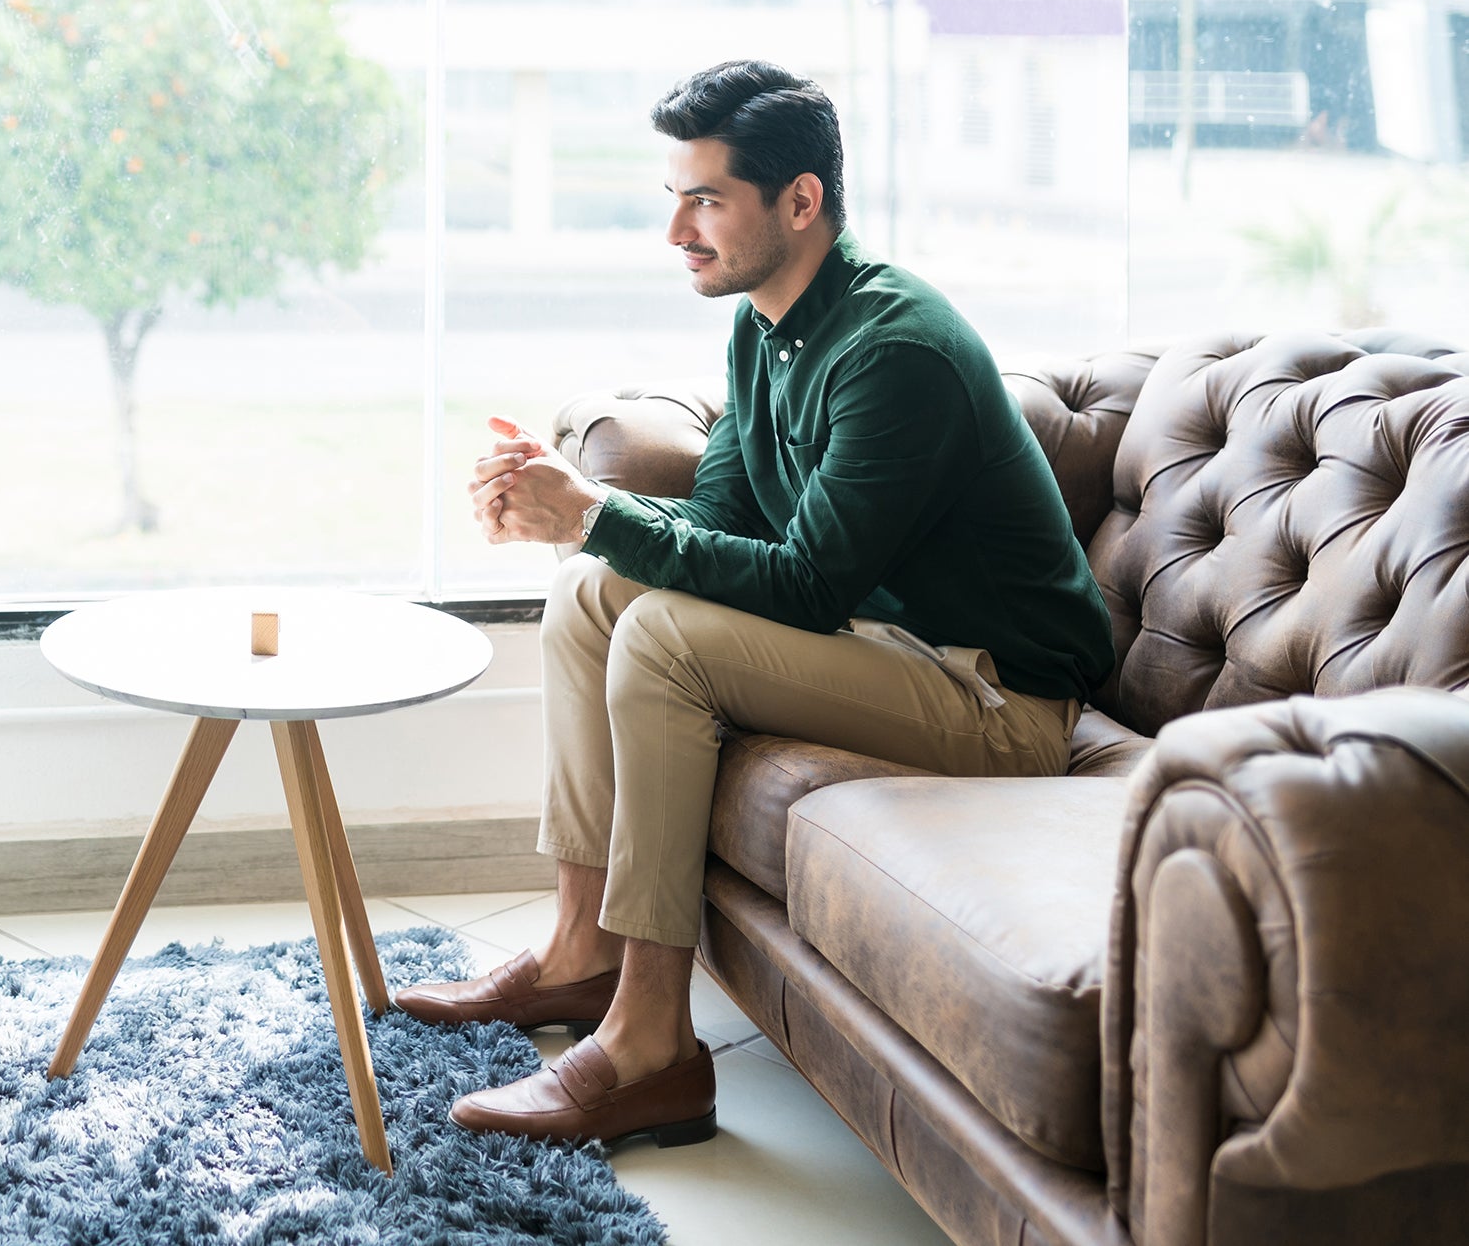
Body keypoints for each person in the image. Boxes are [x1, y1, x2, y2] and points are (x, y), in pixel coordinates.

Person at [397, 61, 1113, 1151]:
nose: (677, 231)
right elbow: (723, 521)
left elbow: (805, 583)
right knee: (593, 593)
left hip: (997, 701)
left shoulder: (896, 350)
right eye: (673, 197)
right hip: (883, 647)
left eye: (706, 200)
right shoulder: (763, 326)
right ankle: (581, 954)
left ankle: (653, 1047)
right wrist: (575, 511)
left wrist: (591, 511)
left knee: (661, 635)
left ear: (800, 201)